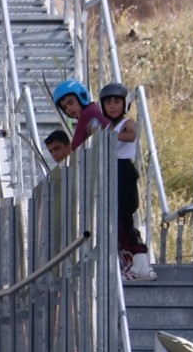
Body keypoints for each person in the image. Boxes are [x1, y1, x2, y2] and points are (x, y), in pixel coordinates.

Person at [98, 81, 156, 281]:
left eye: (117, 101)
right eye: (108, 102)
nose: (112, 106)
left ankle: (139, 262)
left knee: (124, 218)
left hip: (123, 170)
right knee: (113, 219)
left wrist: (106, 133)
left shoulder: (125, 123)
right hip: (108, 170)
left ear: (125, 104)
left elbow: (131, 136)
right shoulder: (104, 126)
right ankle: (128, 261)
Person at [52, 79, 110, 151]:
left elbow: (76, 146)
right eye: (65, 107)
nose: (69, 108)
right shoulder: (94, 108)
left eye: (71, 103)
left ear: (82, 97)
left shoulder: (86, 114)